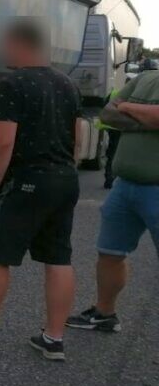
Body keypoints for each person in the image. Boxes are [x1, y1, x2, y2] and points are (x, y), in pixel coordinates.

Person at [0, 18, 81, 361]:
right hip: (64, 178)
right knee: (59, 257)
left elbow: (4, 143)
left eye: (7, 44)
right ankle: (54, 339)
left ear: (22, 45)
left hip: (26, 181)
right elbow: (77, 137)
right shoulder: (68, 84)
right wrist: (66, 169)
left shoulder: (13, 84)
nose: (3, 50)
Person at [67, 59, 159, 334]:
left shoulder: (138, 86)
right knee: (110, 253)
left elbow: (127, 111)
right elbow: (108, 114)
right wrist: (148, 118)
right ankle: (105, 314)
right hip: (125, 186)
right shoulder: (145, 78)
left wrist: (129, 108)